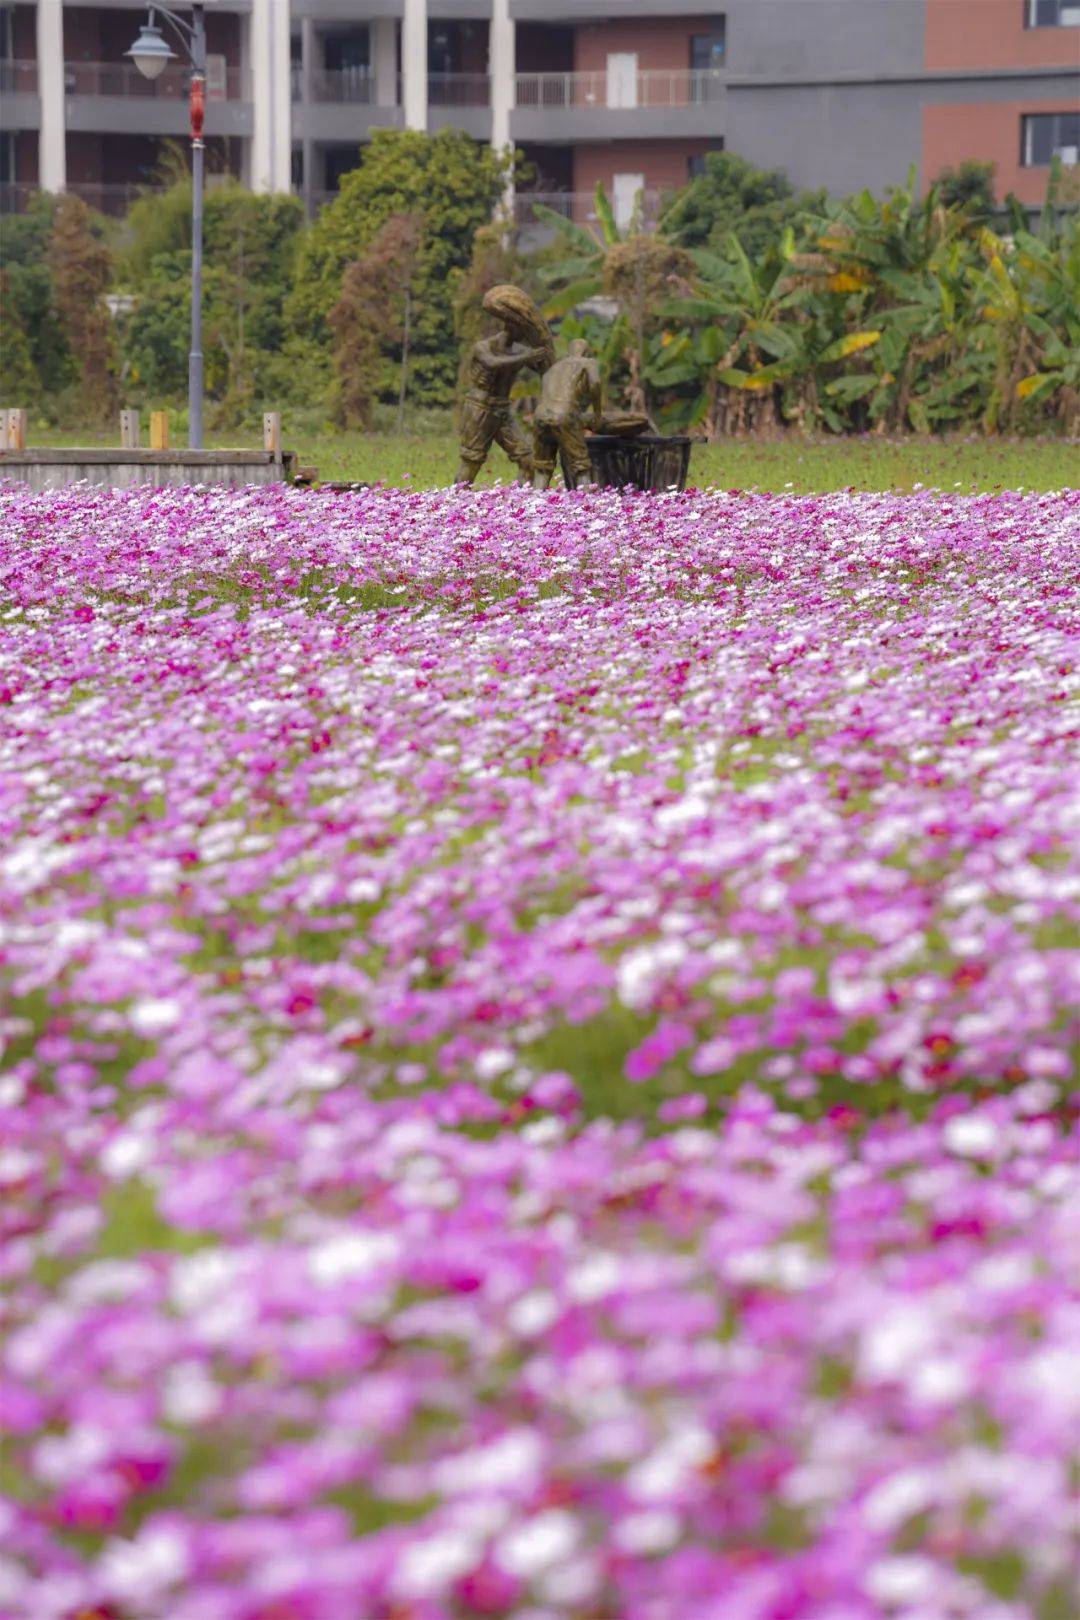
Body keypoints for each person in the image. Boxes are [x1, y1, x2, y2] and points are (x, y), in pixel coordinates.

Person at [455, 326, 550, 485]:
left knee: (527, 457)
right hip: (480, 407)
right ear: (510, 326)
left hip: (503, 409)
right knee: (472, 459)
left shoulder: (521, 350)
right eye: (523, 328)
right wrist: (526, 356)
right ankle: (458, 500)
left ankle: (521, 502)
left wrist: (543, 354)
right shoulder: (484, 347)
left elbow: (539, 366)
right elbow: (492, 363)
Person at [531, 339, 603, 491]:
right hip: (564, 413)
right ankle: (587, 505)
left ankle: (534, 502)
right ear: (586, 352)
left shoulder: (554, 367)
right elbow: (595, 384)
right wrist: (597, 413)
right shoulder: (587, 362)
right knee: (580, 464)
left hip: (541, 414)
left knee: (542, 465)